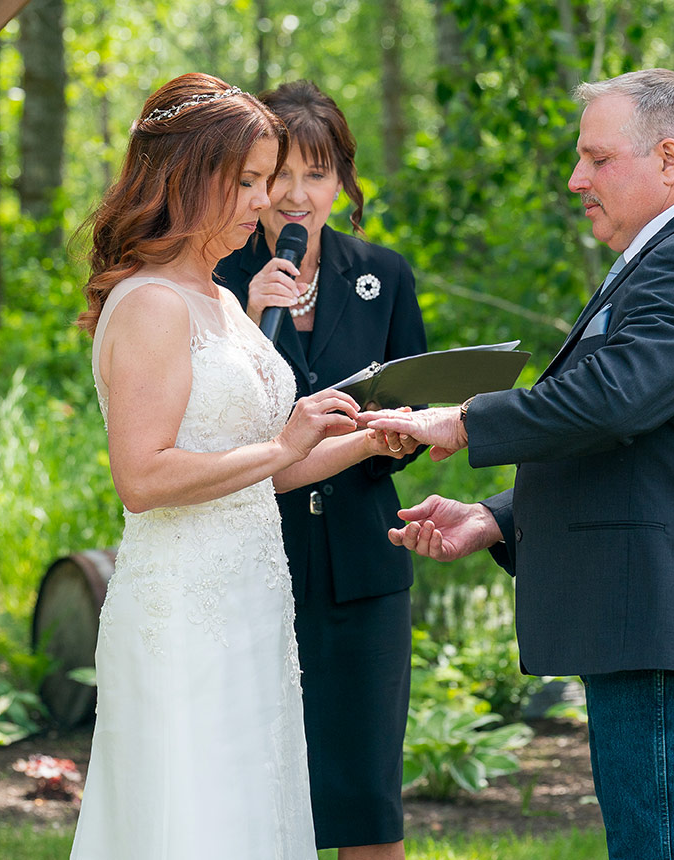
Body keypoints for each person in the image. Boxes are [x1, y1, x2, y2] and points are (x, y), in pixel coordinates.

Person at [362, 68, 674, 859]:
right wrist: (495, 517)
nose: (574, 179)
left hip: (662, 617)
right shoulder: (671, 255)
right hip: (641, 612)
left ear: (667, 159)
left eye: (595, 158)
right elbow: (642, 445)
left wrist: (457, 421)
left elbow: (611, 400)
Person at [69, 72, 413, 859]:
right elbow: (144, 478)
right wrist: (287, 443)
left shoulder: (221, 301)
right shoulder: (153, 302)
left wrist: (364, 438)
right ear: (188, 179)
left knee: (257, 814)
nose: (266, 203)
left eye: (268, 181)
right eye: (249, 181)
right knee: (194, 822)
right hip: (186, 610)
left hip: (254, 601)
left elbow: (257, 473)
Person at [215, 79, 426, 860]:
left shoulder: (384, 275)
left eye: (318, 173)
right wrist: (247, 315)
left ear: (342, 181)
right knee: (256, 789)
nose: (296, 196)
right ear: (253, 177)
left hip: (361, 560)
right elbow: (211, 418)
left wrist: (401, 432)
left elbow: (409, 399)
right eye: (280, 176)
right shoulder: (216, 280)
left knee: (366, 798)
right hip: (247, 555)